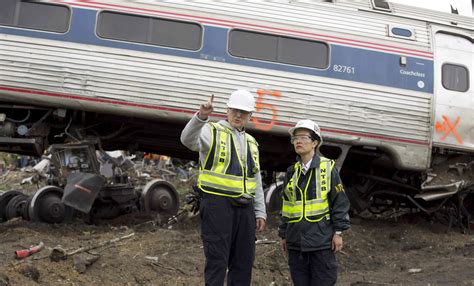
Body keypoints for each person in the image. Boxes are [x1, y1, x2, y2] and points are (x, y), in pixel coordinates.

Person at [180, 89, 266, 286]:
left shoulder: (252, 142)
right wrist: (201, 116)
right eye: (235, 110)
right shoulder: (211, 131)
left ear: (250, 116)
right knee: (217, 262)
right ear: (227, 110)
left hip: (245, 209)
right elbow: (187, 140)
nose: (238, 115)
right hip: (217, 206)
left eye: (243, 112)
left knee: (243, 263)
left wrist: (260, 211)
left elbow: (256, 179)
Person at [278, 119, 350, 286]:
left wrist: (338, 232)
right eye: (295, 138)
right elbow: (287, 206)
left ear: (315, 142)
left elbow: (340, 201)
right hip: (296, 243)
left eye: (303, 137)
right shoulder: (291, 172)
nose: (298, 141)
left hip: (321, 243)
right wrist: (283, 234)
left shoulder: (328, 168)